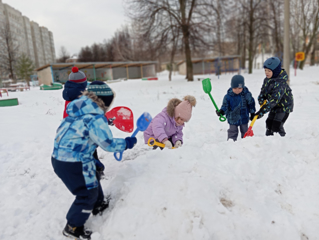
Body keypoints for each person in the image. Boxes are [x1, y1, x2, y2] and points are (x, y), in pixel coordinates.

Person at [51, 81, 137, 239]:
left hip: (61, 158)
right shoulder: (94, 118)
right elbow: (108, 144)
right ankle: (73, 227)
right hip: (73, 162)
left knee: (93, 178)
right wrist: (126, 143)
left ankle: (99, 205)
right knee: (86, 194)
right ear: (104, 102)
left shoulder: (77, 112)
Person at [256, 57, 293, 136]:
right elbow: (263, 92)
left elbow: (274, 100)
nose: (266, 73)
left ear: (275, 71)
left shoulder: (280, 83)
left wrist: (261, 112)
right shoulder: (267, 80)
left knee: (277, 125)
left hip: (284, 107)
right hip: (274, 106)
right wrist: (261, 100)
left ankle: (282, 141)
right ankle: (269, 141)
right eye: (265, 70)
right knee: (269, 123)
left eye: (269, 71)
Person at [216, 75, 256, 141]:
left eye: (239, 88)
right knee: (232, 131)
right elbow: (225, 106)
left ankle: (246, 143)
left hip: (244, 118)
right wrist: (222, 111)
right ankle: (231, 143)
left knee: (245, 131)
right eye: (235, 88)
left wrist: (252, 112)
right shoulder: (228, 96)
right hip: (232, 118)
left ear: (243, 86)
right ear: (232, 87)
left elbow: (251, 103)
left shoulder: (247, 94)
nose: (237, 90)